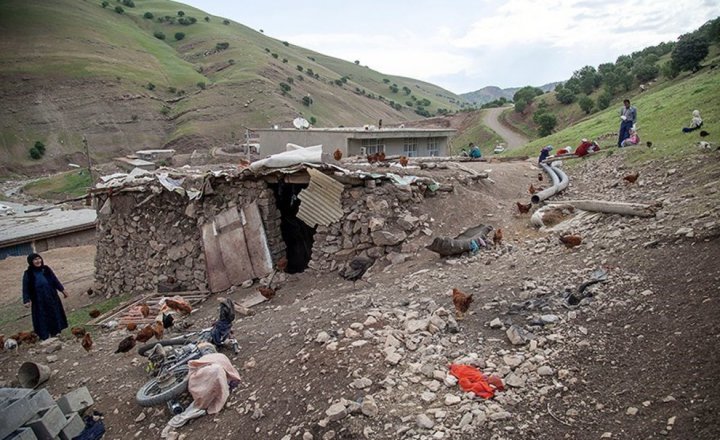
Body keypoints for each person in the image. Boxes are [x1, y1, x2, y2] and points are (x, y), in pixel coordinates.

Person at [22, 253, 68, 340]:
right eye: (35, 259)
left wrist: (63, 290)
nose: (38, 261)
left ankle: (56, 332)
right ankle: (45, 335)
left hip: (51, 296)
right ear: (31, 262)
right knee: (42, 316)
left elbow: (55, 280)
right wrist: (26, 300)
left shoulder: (46, 269)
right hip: (38, 299)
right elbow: (25, 287)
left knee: (54, 313)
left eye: (39, 259)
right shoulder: (28, 273)